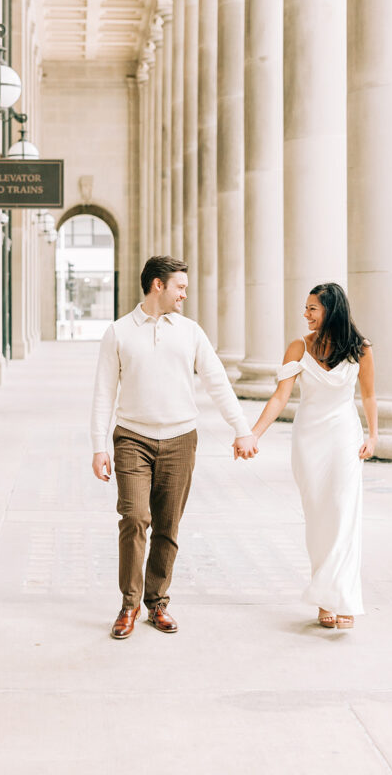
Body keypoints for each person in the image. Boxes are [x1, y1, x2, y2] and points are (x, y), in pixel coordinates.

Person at [91, 255, 254, 640]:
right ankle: (129, 605)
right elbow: (103, 393)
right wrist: (99, 446)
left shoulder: (191, 331)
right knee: (134, 517)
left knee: (167, 526)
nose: (184, 294)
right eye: (179, 286)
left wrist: (241, 429)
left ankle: (156, 602)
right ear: (158, 285)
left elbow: (217, 382)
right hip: (132, 437)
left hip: (181, 439)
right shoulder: (118, 332)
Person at [235, 283, 377, 630]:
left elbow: (369, 396)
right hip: (309, 439)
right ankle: (325, 598)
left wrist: (374, 435)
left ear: (331, 310)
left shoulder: (361, 349)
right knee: (318, 517)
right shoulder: (299, 346)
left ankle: (343, 598)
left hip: (344, 435)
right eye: (306, 308)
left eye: (312, 308)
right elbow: (280, 397)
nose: (306, 314)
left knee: (344, 512)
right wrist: (254, 433)